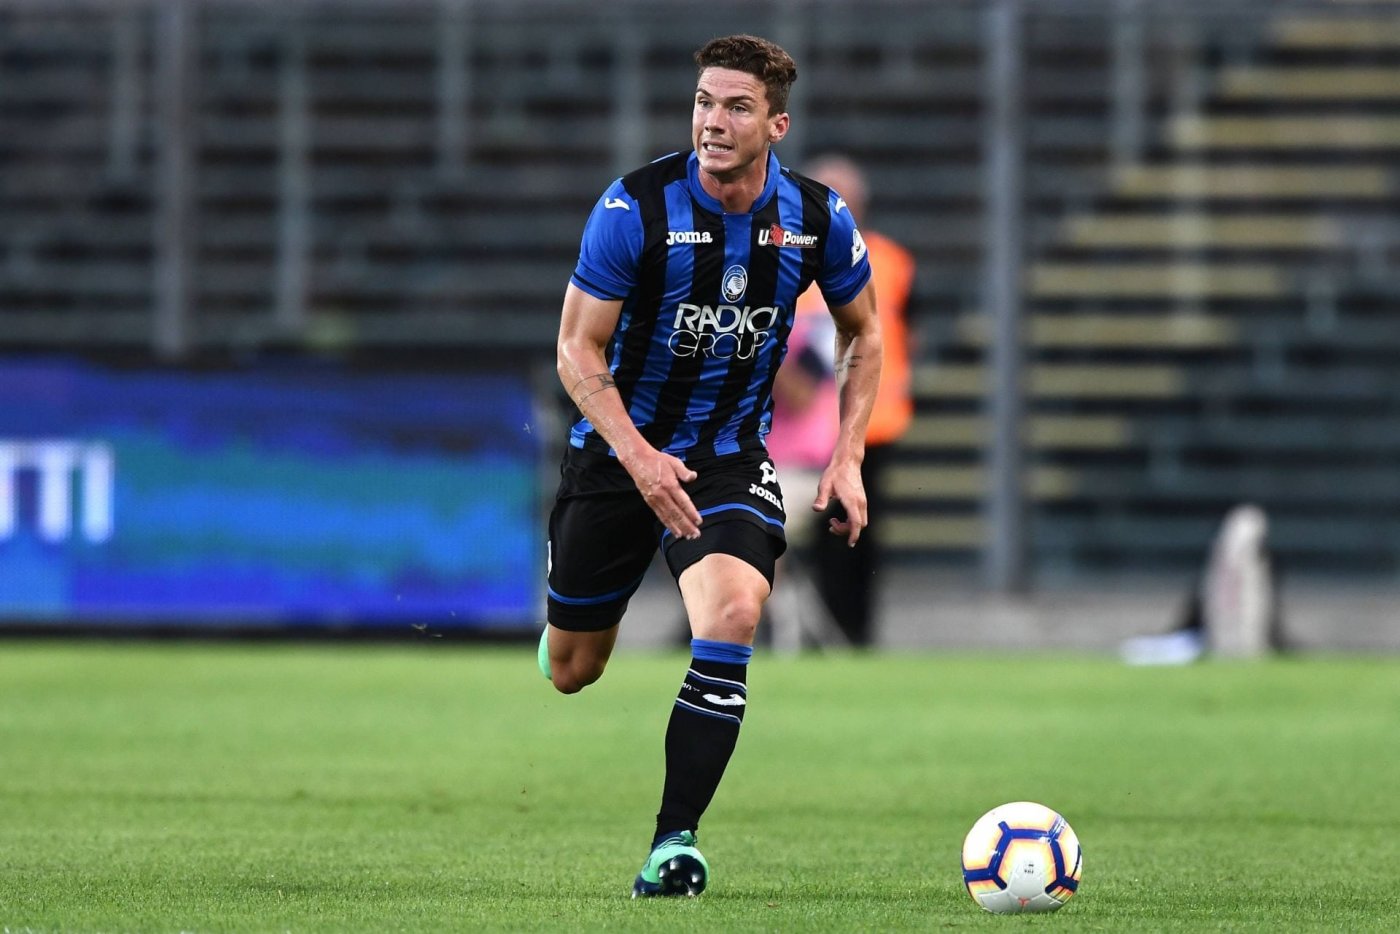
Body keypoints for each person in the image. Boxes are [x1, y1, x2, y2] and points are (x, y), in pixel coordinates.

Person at [538, 35, 882, 898]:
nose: (713, 122)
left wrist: (847, 455)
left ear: (777, 125)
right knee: (574, 669)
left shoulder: (816, 218)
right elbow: (577, 349)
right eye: (703, 102)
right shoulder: (635, 207)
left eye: (736, 107)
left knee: (732, 611)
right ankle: (567, 624)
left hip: (728, 458)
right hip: (617, 456)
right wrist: (640, 459)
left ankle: (673, 844)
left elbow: (864, 333)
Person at [797, 155, 916, 647]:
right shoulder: (787, 254)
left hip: (872, 424)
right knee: (803, 535)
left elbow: (906, 331)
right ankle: (810, 633)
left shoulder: (891, 261)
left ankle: (854, 633)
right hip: (803, 430)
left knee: (857, 536)